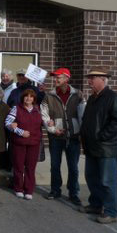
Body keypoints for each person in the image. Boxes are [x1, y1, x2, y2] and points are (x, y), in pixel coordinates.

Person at [79, 68, 117, 224]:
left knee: (107, 181)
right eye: (89, 78)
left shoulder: (112, 98)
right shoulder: (92, 98)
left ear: (103, 80)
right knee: (92, 177)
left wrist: (102, 137)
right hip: (91, 147)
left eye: (92, 78)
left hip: (105, 148)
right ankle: (96, 205)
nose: (89, 81)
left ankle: (111, 212)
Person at [40, 68, 83, 205]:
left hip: (73, 137)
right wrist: (52, 129)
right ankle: (55, 190)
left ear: (66, 79)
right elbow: (44, 115)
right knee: (54, 165)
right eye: (55, 77)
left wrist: (81, 132)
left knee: (73, 167)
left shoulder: (78, 95)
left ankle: (73, 193)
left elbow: (83, 115)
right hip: (56, 137)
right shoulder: (49, 96)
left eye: (59, 77)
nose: (56, 79)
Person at [5, 89, 43, 200]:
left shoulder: (38, 110)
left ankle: (29, 190)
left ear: (34, 99)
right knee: (18, 166)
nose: (29, 98)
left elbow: (44, 122)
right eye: (26, 96)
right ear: (23, 97)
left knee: (31, 167)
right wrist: (20, 132)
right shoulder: (16, 108)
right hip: (19, 142)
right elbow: (8, 123)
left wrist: (50, 123)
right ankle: (18, 188)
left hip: (34, 143)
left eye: (31, 97)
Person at [0, 68, 16, 171]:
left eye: (7, 76)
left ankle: (9, 164)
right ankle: (2, 163)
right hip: (0, 118)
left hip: (11, 118)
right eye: (3, 76)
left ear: (11, 77)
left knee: (11, 141)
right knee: (2, 140)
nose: (5, 78)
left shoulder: (14, 88)